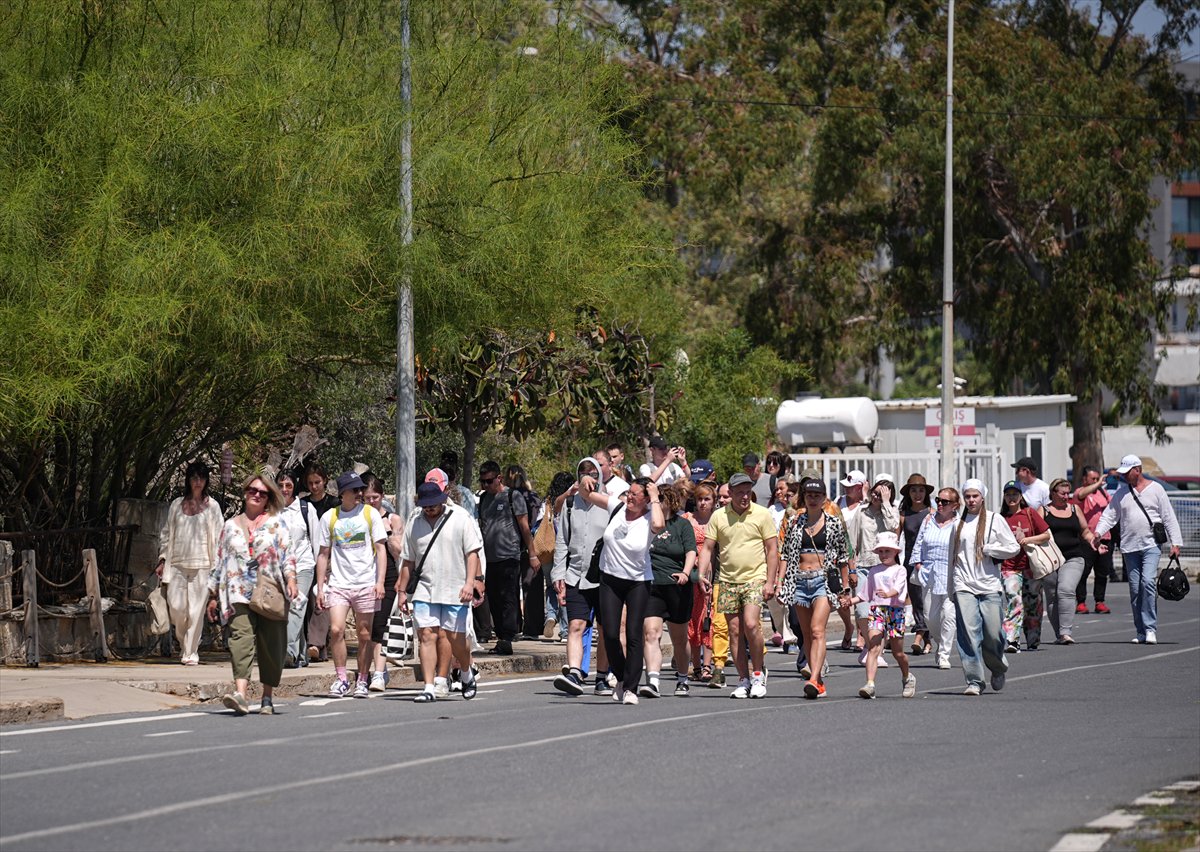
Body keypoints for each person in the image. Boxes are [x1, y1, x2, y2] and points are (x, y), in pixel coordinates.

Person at [206, 474, 298, 716]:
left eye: (262, 492)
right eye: (252, 490)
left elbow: (287, 555)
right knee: (241, 639)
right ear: (245, 492)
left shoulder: (277, 523)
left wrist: (291, 579)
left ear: (269, 498)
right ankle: (241, 694)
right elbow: (219, 561)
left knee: (271, 646)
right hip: (238, 591)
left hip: (269, 590)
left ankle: (267, 697)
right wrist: (212, 594)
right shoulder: (229, 526)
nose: (256, 495)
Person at [579, 476, 666, 705]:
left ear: (646, 500)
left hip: (638, 581)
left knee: (634, 634)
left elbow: (659, 525)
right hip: (610, 578)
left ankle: (630, 688)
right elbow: (586, 494)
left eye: (635, 495)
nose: (629, 498)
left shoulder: (650, 517)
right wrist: (584, 480)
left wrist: (655, 497)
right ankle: (620, 677)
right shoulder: (617, 507)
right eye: (629, 493)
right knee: (609, 633)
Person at [397, 482, 484, 702]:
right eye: (426, 506)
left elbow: (472, 553)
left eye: (433, 505)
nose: (430, 509)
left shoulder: (460, 518)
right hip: (426, 589)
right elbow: (408, 561)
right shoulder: (414, 523)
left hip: (455, 589)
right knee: (426, 635)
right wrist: (401, 592)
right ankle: (428, 686)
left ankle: (466, 672)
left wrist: (470, 583)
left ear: (443, 500)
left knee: (456, 639)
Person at [698, 472, 781, 700]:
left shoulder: (762, 514)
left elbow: (772, 550)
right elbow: (707, 548)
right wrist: (701, 573)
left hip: (755, 578)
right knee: (734, 631)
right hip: (727, 580)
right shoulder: (719, 516)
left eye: (747, 491)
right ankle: (743, 679)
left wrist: (771, 581)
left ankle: (757, 673)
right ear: (731, 493)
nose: (744, 496)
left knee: (751, 624)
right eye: (740, 492)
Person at [314, 471, 388, 699]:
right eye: (354, 490)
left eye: (361, 490)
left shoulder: (369, 514)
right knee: (336, 630)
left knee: (364, 634)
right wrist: (319, 586)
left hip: (366, 582)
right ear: (342, 493)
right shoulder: (330, 517)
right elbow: (323, 554)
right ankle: (342, 678)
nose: (359, 494)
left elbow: (381, 549)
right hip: (338, 583)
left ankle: (363, 679)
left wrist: (380, 582)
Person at [1094, 455, 1182, 645]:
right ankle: (1140, 630)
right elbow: (1109, 515)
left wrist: (1176, 543)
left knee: (1148, 582)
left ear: (1138, 470)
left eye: (1128, 473)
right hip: (1129, 547)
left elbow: (1168, 516)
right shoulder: (1121, 494)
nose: (1125, 476)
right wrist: (1098, 533)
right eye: (1123, 473)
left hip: (1151, 545)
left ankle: (1150, 628)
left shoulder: (1156, 489)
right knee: (1135, 589)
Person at [778, 478, 850, 699]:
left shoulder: (833, 523)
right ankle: (818, 682)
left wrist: (845, 588)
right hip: (799, 580)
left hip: (823, 581)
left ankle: (813, 677)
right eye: (809, 495)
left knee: (818, 630)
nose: (812, 499)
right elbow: (786, 555)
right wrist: (779, 582)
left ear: (824, 499)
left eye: (817, 496)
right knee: (807, 633)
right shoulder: (794, 522)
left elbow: (843, 557)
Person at [551, 458, 617, 696]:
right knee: (575, 626)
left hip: (605, 577)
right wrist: (557, 574)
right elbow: (562, 543)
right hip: (575, 575)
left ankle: (601, 676)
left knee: (606, 627)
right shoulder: (569, 505)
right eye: (583, 473)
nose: (588, 477)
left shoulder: (609, 504)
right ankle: (575, 673)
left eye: (593, 473)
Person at [949, 480, 1020, 696]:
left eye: (975, 496)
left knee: (993, 633)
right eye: (968, 496)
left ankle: (997, 667)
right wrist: (950, 589)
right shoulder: (956, 524)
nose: (971, 500)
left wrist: (990, 549)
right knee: (969, 635)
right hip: (964, 584)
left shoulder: (994, 520)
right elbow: (951, 558)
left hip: (989, 585)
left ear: (982, 497)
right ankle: (974, 681)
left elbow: (1013, 547)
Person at [156, 460, 224, 666]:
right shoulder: (177, 504)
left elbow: (220, 537)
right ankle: (184, 642)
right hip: (177, 563)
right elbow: (167, 534)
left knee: (196, 611)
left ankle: (190, 651)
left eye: (201, 478)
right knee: (177, 609)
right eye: (194, 478)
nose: (198, 482)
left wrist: (217, 569)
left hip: (203, 565)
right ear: (188, 479)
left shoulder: (213, 507)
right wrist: (162, 559)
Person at [641, 483, 697, 698]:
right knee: (651, 633)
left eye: (661, 498)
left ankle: (683, 678)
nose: (656, 502)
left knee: (679, 638)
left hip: (677, 587)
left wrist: (685, 572)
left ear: (671, 501)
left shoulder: (682, 525)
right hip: (652, 585)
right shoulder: (647, 523)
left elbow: (691, 551)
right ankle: (653, 680)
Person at [477, 460, 538, 655]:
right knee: (493, 598)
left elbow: (525, 528)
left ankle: (507, 637)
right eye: (482, 482)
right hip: (490, 559)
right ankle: (501, 636)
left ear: (499, 478)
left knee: (508, 598)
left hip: (509, 556)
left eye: (489, 481)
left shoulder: (513, 496)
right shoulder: (484, 499)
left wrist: (533, 554)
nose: (485, 485)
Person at [845, 532, 916, 700]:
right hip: (877, 611)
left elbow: (897, 589)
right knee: (874, 647)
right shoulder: (874, 571)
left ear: (895, 552)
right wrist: (850, 601)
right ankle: (870, 684)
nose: (884, 555)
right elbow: (865, 595)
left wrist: (888, 594)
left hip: (895, 611)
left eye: (887, 551)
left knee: (898, 653)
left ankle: (907, 677)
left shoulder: (900, 570)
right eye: (881, 551)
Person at [1039, 478, 1099, 645]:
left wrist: (1094, 542)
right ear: (1053, 493)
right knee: (1052, 596)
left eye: (1068, 493)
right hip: (1049, 559)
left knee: (1065, 590)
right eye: (1062, 493)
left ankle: (1066, 632)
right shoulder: (1043, 511)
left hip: (1073, 557)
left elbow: (1085, 531)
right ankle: (1060, 634)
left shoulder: (1075, 509)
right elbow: (1036, 532)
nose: (1066, 496)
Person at [851, 474, 901, 666]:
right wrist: (851, 567)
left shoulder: (892, 511)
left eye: (882, 493)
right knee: (863, 612)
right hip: (864, 565)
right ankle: (870, 644)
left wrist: (886, 503)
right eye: (876, 492)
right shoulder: (861, 512)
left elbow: (893, 527)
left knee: (881, 612)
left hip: (885, 568)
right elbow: (852, 540)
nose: (877, 496)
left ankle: (875, 649)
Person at [362, 474, 405, 691]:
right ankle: (377, 669)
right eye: (367, 498)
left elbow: (400, 553)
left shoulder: (393, 518)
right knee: (366, 628)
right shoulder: (358, 517)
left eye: (375, 497)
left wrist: (387, 531)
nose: (371, 502)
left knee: (380, 625)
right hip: (363, 576)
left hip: (387, 576)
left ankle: (378, 674)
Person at [912, 488, 961, 669]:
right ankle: (941, 642)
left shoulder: (958, 525)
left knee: (949, 615)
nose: (940, 504)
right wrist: (918, 564)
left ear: (955, 506)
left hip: (950, 574)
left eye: (945, 502)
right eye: (938, 500)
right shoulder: (928, 521)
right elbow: (919, 544)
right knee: (929, 616)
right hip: (929, 573)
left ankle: (944, 654)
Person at [999, 482, 1050, 653]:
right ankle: (1012, 640)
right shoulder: (1001, 518)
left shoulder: (1030, 513)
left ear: (1021, 496)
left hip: (1030, 566)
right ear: (1004, 498)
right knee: (1015, 601)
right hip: (1009, 567)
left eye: (1015, 494)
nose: (1011, 498)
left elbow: (1046, 535)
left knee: (1032, 603)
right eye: (1008, 495)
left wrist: (1027, 540)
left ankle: (1033, 639)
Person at [276, 469, 319, 668]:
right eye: (281, 485)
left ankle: (286, 653)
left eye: (288, 485)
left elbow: (317, 541)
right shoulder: (271, 510)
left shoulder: (306, 508)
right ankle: (301, 655)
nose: (284, 489)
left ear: (295, 487)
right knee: (291, 611)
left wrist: (322, 573)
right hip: (280, 568)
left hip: (303, 566)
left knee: (296, 606)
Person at [302, 462, 339, 662]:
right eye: (310, 483)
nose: (314, 486)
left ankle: (315, 643)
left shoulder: (334, 504)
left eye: (317, 482)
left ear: (324, 481)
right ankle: (318, 649)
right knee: (308, 599)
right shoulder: (303, 505)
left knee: (321, 598)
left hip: (330, 556)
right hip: (308, 556)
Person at [505, 464, 544, 641]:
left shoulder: (505, 497)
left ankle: (513, 626)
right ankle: (533, 627)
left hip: (512, 546)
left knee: (511, 589)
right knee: (532, 587)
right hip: (533, 545)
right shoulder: (534, 497)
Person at [681, 481, 715, 684]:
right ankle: (695, 666)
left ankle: (707, 666)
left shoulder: (718, 520)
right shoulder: (686, 520)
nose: (702, 503)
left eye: (707, 499)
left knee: (708, 621)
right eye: (700, 499)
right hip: (691, 575)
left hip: (712, 576)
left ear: (713, 502)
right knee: (692, 622)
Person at [1072, 466, 1113, 614]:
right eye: (1093, 479)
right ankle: (1081, 602)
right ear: (1084, 479)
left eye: (1097, 479)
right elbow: (1082, 494)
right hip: (1087, 539)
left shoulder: (1103, 493)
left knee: (1102, 573)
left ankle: (1100, 601)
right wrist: (1099, 483)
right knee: (1083, 572)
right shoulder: (1080, 493)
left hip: (1105, 538)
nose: (1097, 482)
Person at [899, 474, 932, 655]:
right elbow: (896, 538)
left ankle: (919, 635)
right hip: (910, 562)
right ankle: (926, 639)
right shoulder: (904, 514)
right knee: (917, 600)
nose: (917, 494)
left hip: (928, 563)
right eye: (913, 490)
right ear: (908, 493)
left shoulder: (932, 513)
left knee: (926, 600)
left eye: (921, 490)